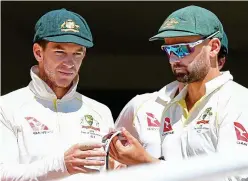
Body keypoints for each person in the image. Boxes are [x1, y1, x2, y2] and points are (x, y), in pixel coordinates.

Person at [110, 5, 248, 180]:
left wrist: (146, 162)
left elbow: (232, 176)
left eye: (182, 49)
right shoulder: (171, 107)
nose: (174, 59)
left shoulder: (239, 101)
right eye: (168, 51)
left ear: (213, 47)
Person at [0, 8, 115, 180]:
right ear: (38, 52)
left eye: (78, 53)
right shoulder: (6, 107)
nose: (70, 63)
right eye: (60, 52)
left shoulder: (100, 111)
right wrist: (61, 165)